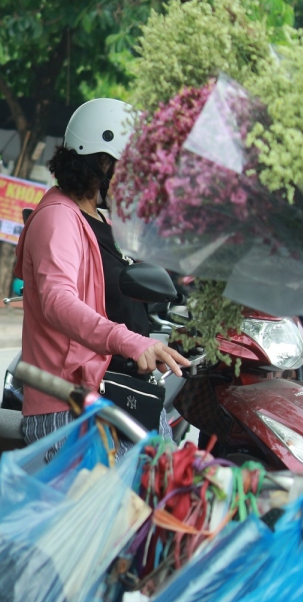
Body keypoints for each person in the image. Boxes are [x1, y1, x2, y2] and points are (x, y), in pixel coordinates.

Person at [13, 98, 187, 443]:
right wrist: (130, 341)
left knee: (167, 493)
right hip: (73, 410)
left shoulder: (100, 219)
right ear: (104, 162)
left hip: (122, 397)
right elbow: (57, 301)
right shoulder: (58, 218)